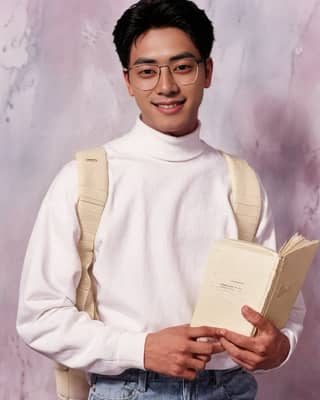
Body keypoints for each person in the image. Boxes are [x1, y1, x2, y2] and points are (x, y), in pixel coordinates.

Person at [16, 1, 305, 399]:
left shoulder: (241, 182)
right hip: (131, 388)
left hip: (230, 389)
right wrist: (141, 348)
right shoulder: (86, 180)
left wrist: (281, 345)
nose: (166, 86)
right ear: (127, 80)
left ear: (208, 72)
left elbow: (285, 304)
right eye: (147, 71)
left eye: (182, 67)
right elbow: (40, 317)